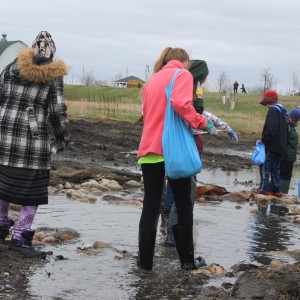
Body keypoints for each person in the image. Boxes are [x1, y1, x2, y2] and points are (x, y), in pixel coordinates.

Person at [137, 47, 209, 271]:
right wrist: (201, 122)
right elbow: (180, 104)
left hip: (148, 148)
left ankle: (145, 264)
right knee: (183, 203)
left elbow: (148, 114)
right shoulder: (183, 75)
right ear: (184, 62)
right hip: (172, 150)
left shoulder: (153, 80)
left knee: (151, 203)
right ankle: (187, 262)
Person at [0, 31, 69, 258]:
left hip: (3, 136)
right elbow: (57, 111)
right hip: (32, 143)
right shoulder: (52, 75)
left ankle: (1, 225)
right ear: (51, 54)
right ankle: (20, 236)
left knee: (4, 183)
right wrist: (62, 138)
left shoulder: (10, 68)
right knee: (33, 191)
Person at [258, 90, 287, 197]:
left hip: (272, 145)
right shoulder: (282, 111)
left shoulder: (273, 111)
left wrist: (264, 139)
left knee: (266, 166)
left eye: (265, 103)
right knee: (276, 168)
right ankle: (277, 190)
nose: (265, 106)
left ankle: (265, 189)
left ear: (268, 101)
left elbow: (271, 129)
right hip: (281, 146)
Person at [280, 108, 300, 193]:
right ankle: (281, 192)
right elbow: (282, 140)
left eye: (296, 121)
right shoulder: (286, 125)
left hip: (291, 156)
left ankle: (283, 192)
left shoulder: (294, 126)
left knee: (288, 175)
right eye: (293, 120)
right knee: (284, 175)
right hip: (285, 155)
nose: (294, 122)